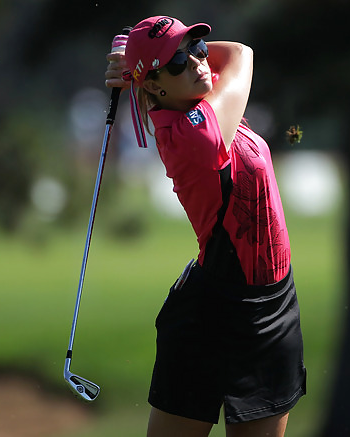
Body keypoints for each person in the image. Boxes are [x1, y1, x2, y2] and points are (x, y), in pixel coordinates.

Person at [104, 16, 306, 437]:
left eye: (196, 46)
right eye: (178, 60)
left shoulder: (195, 98)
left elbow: (218, 61)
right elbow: (242, 54)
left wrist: (141, 66)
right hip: (211, 315)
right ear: (157, 86)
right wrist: (137, 70)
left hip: (272, 305)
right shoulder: (193, 136)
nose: (198, 61)